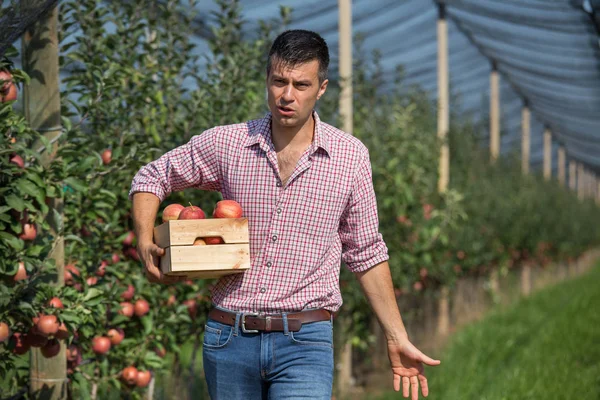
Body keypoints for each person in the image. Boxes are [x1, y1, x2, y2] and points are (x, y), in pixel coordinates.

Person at [130, 29, 440, 400]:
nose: (287, 95)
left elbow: (366, 250)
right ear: (267, 79)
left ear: (321, 88)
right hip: (229, 336)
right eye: (278, 82)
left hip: (305, 340)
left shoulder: (349, 157)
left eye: (301, 84)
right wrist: (145, 240)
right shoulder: (229, 144)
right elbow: (152, 175)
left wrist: (396, 335)